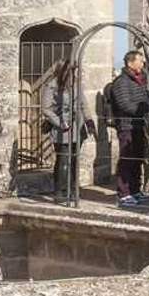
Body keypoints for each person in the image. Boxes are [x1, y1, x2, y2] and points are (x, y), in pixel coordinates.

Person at [39, 60, 93, 200]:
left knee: (74, 159)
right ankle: (59, 190)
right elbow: (46, 109)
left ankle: (73, 190)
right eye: (72, 71)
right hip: (61, 130)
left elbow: (83, 104)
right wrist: (60, 122)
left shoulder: (76, 84)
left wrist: (89, 121)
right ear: (65, 71)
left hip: (77, 127)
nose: (75, 73)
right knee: (62, 160)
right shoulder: (51, 86)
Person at [107, 51, 149, 207]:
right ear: (130, 63)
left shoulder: (140, 80)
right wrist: (144, 110)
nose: (142, 64)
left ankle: (135, 191)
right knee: (127, 159)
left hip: (139, 125)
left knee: (137, 159)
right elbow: (125, 104)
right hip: (127, 125)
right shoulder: (121, 82)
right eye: (140, 61)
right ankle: (124, 194)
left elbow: (144, 99)